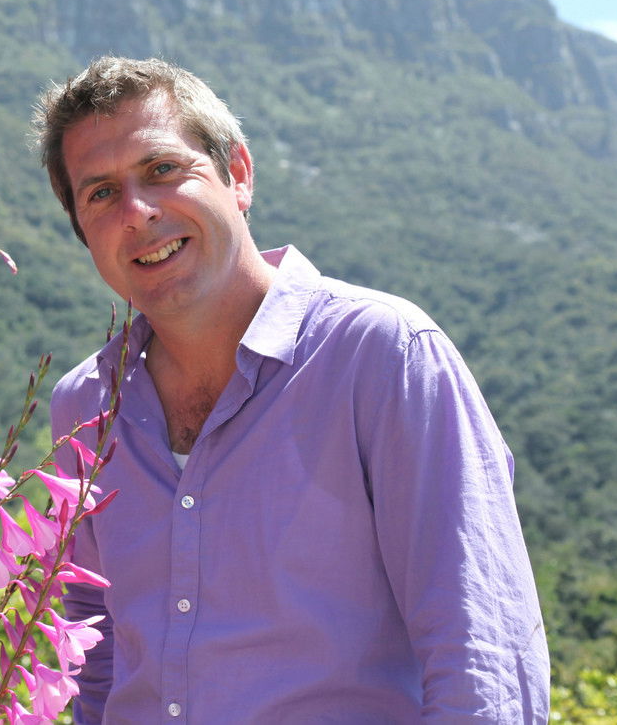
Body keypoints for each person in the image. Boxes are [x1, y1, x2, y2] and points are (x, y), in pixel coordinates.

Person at [34, 56, 549, 723]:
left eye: (162, 169)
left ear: (238, 174)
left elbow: (483, 658)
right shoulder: (84, 406)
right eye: (101, 193)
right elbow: (94, 645)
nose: (137, 212)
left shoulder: (383, 357)